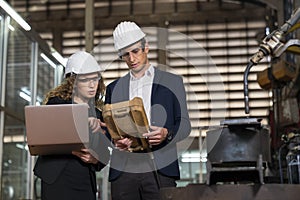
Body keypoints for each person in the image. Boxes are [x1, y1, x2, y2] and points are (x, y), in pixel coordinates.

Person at [105, 21, 191, 200]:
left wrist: (167, 133)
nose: (132, 59)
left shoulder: (172, 82)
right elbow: (108, 127)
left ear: (146, 48)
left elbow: (184, 125)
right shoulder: (113, 88)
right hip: (124, 169)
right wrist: (115, 141)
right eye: (125, 55)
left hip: (160, 168)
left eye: (135, 51)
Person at [33, 51, 110, 200]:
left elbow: (105, 152)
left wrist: (96, 159)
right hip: (56, 177)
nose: (92, 85)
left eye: (95, 79)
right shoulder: (55, 104)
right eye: (86, 80)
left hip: (84, 179)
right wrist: (83, 121)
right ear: (73, 81)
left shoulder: (100, 115)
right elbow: (47, 137)